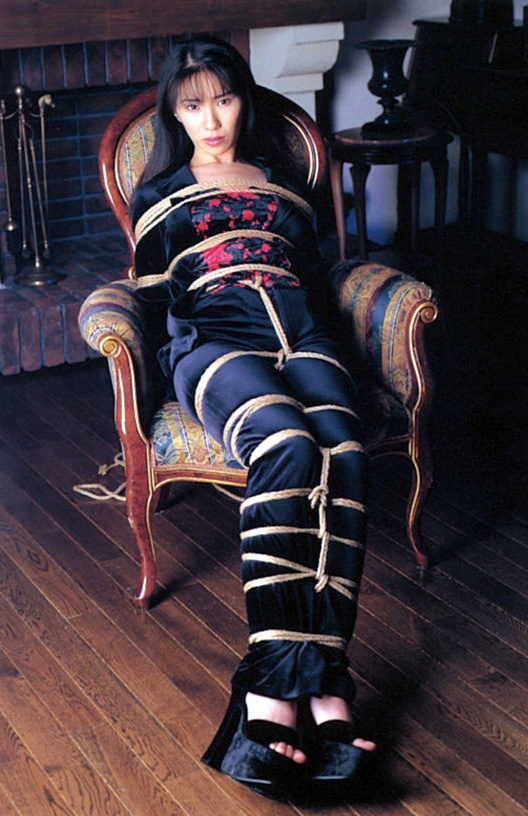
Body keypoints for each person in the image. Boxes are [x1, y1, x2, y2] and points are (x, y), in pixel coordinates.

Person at [131, 33, 376, 800]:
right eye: (192, 105)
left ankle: (324, 674)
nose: (212, 120)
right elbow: (151, 303)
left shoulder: (281, 183)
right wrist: (153, 392)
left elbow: (316, 276)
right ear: (175, 113)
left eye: (225, 99)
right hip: (212, 340)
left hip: (304, 335)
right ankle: (274, 685)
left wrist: (334, 352)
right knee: (287, 444)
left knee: (344, 452)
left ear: (244, 101)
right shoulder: (159, 193)